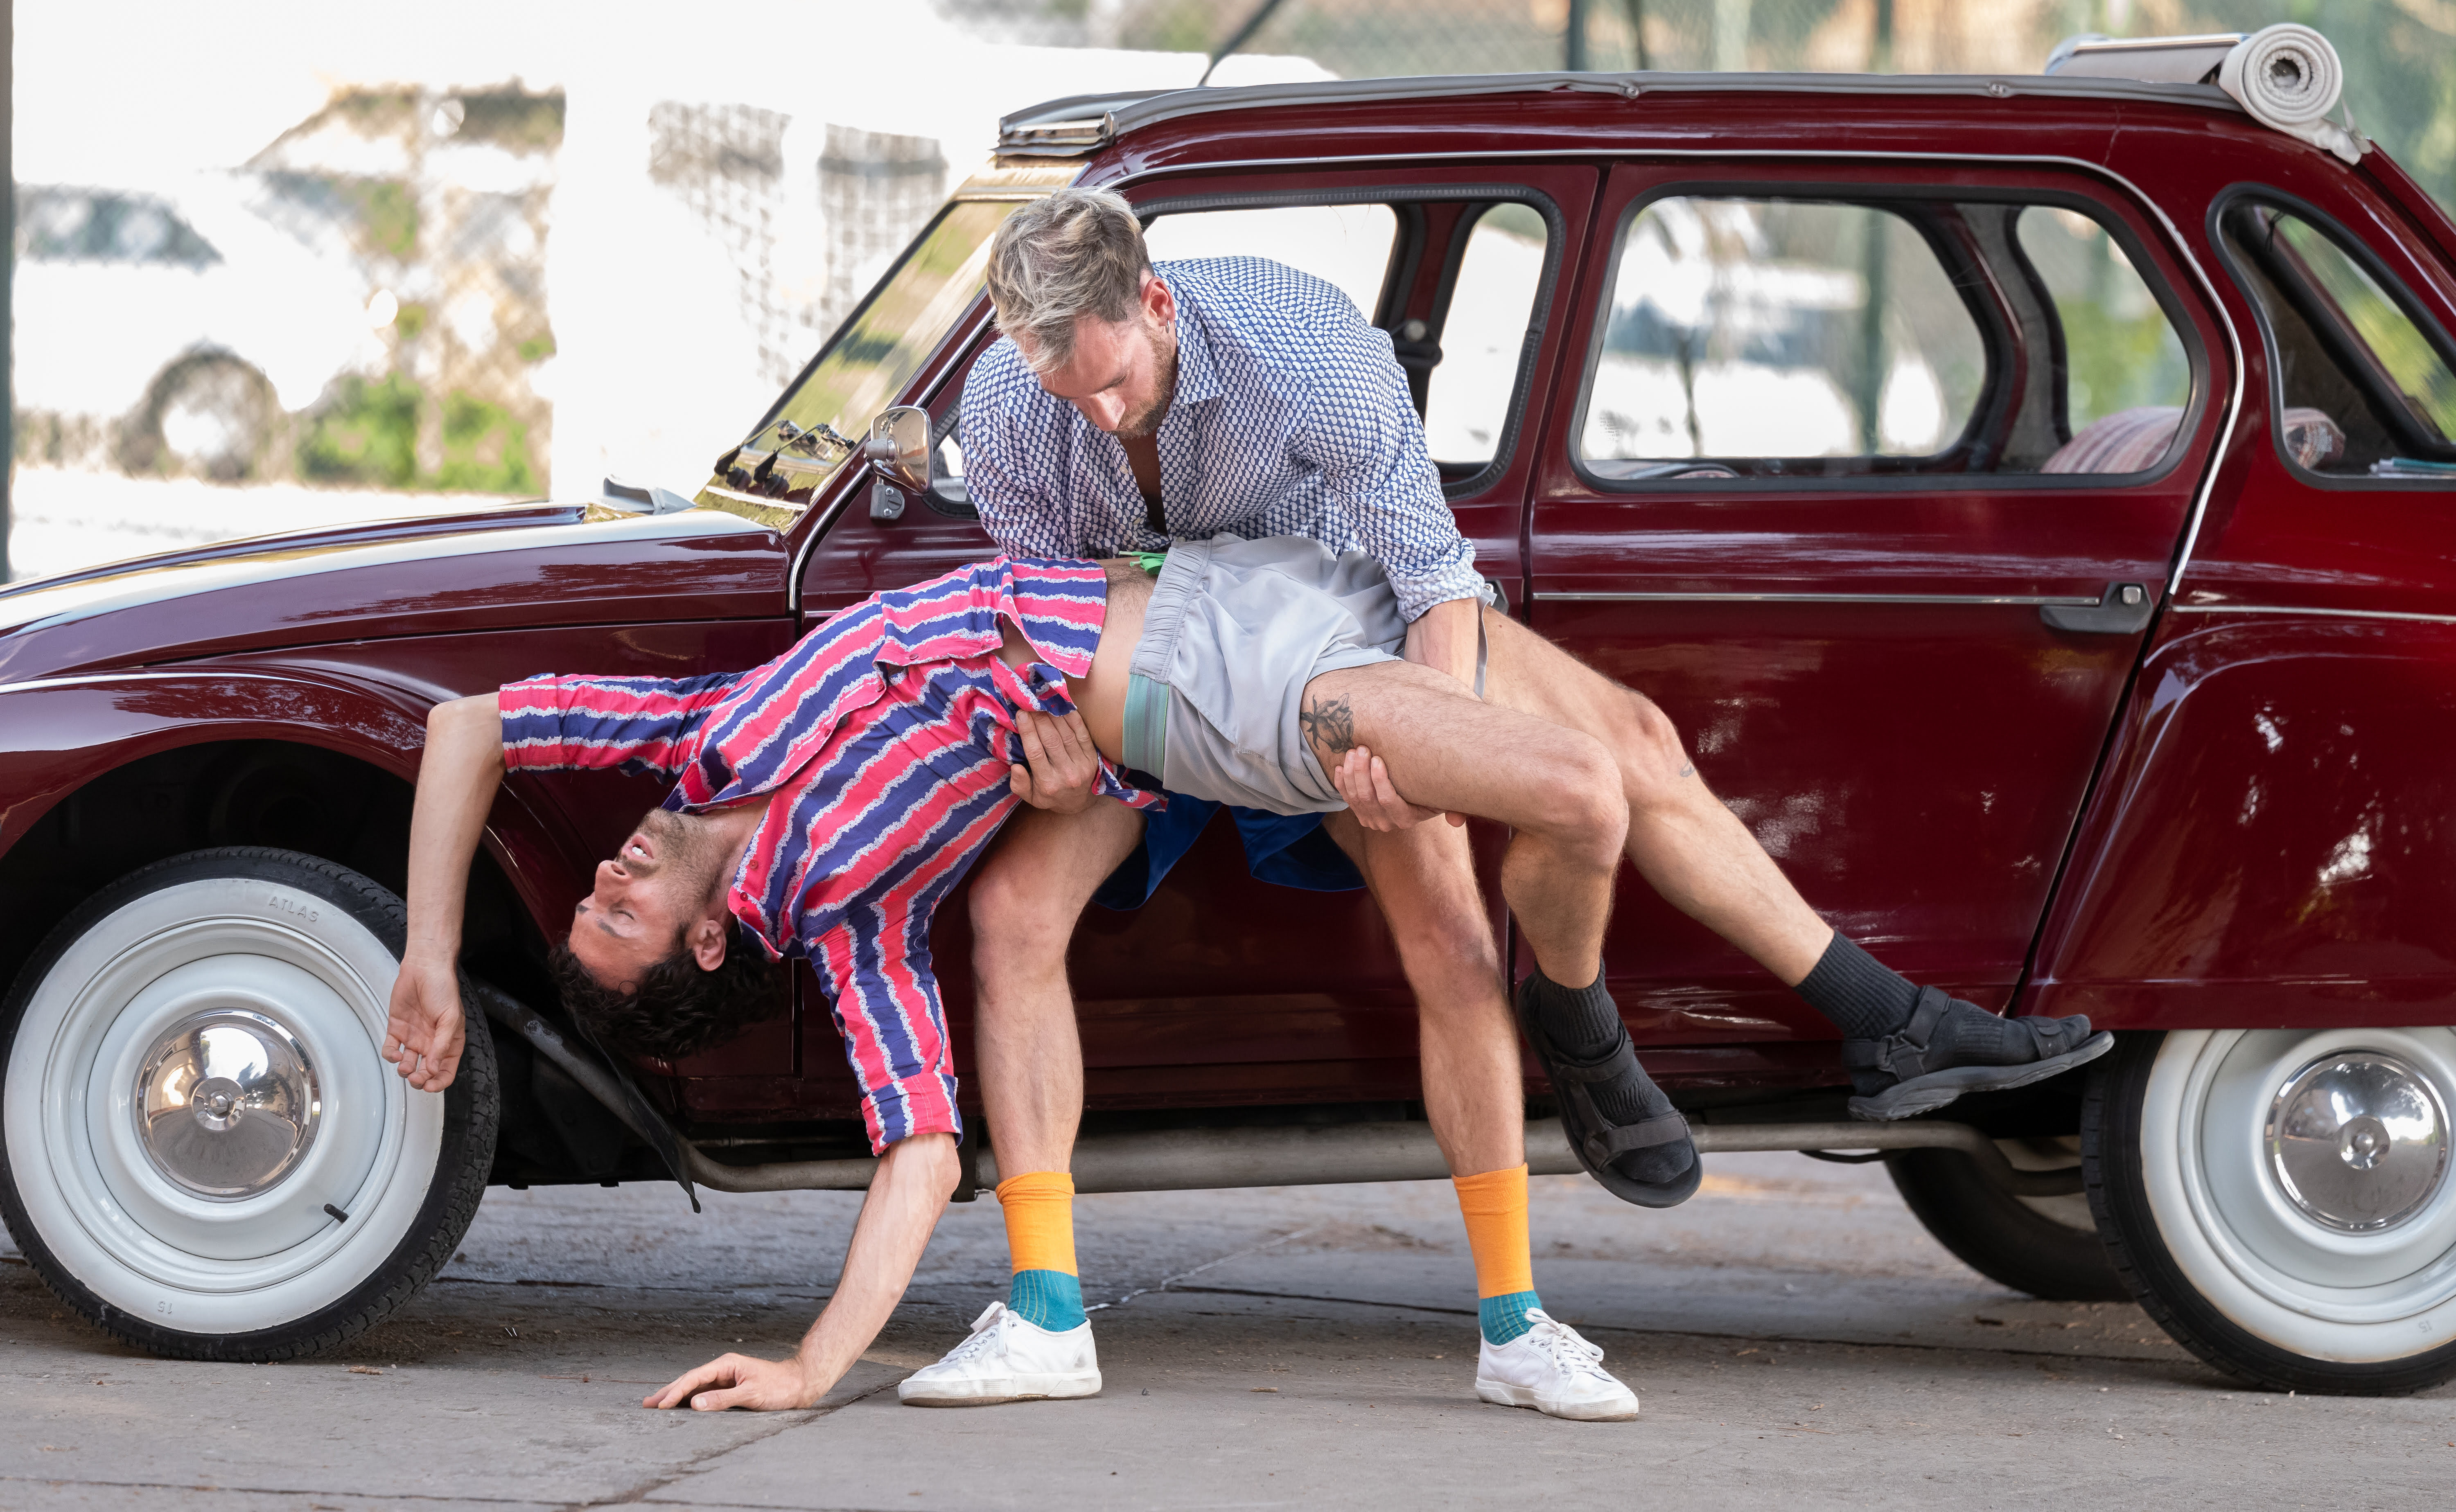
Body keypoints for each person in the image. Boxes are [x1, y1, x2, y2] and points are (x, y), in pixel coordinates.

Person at [947, 187, 2113, 1413]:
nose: (1097, 412)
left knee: (1463, 932)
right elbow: (1037, 617)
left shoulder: (1305, 346)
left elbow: (1430, 578)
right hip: (1153, 672)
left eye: (1113, 382)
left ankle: (1517, 1321)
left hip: (1330, 649)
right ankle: (1045, 1313)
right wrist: (1045, 738)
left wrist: (1424, 760)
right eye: (1065, 392)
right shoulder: (1010, 398)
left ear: (1156, 302)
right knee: (1012, 915)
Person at [385, 538, 1754, 1420]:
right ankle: (1055, 1313)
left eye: (591, 895)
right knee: (1493, 858)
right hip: (1175, 694)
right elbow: (921, 1152)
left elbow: (468, 730)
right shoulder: (860, 924)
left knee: (1481, 897)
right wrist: (811, 1367)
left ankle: (1515, 1316)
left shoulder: (698, 733)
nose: (606, 873)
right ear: (704, 943)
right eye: (616, 915)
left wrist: (429, 962)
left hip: (1164, 591)